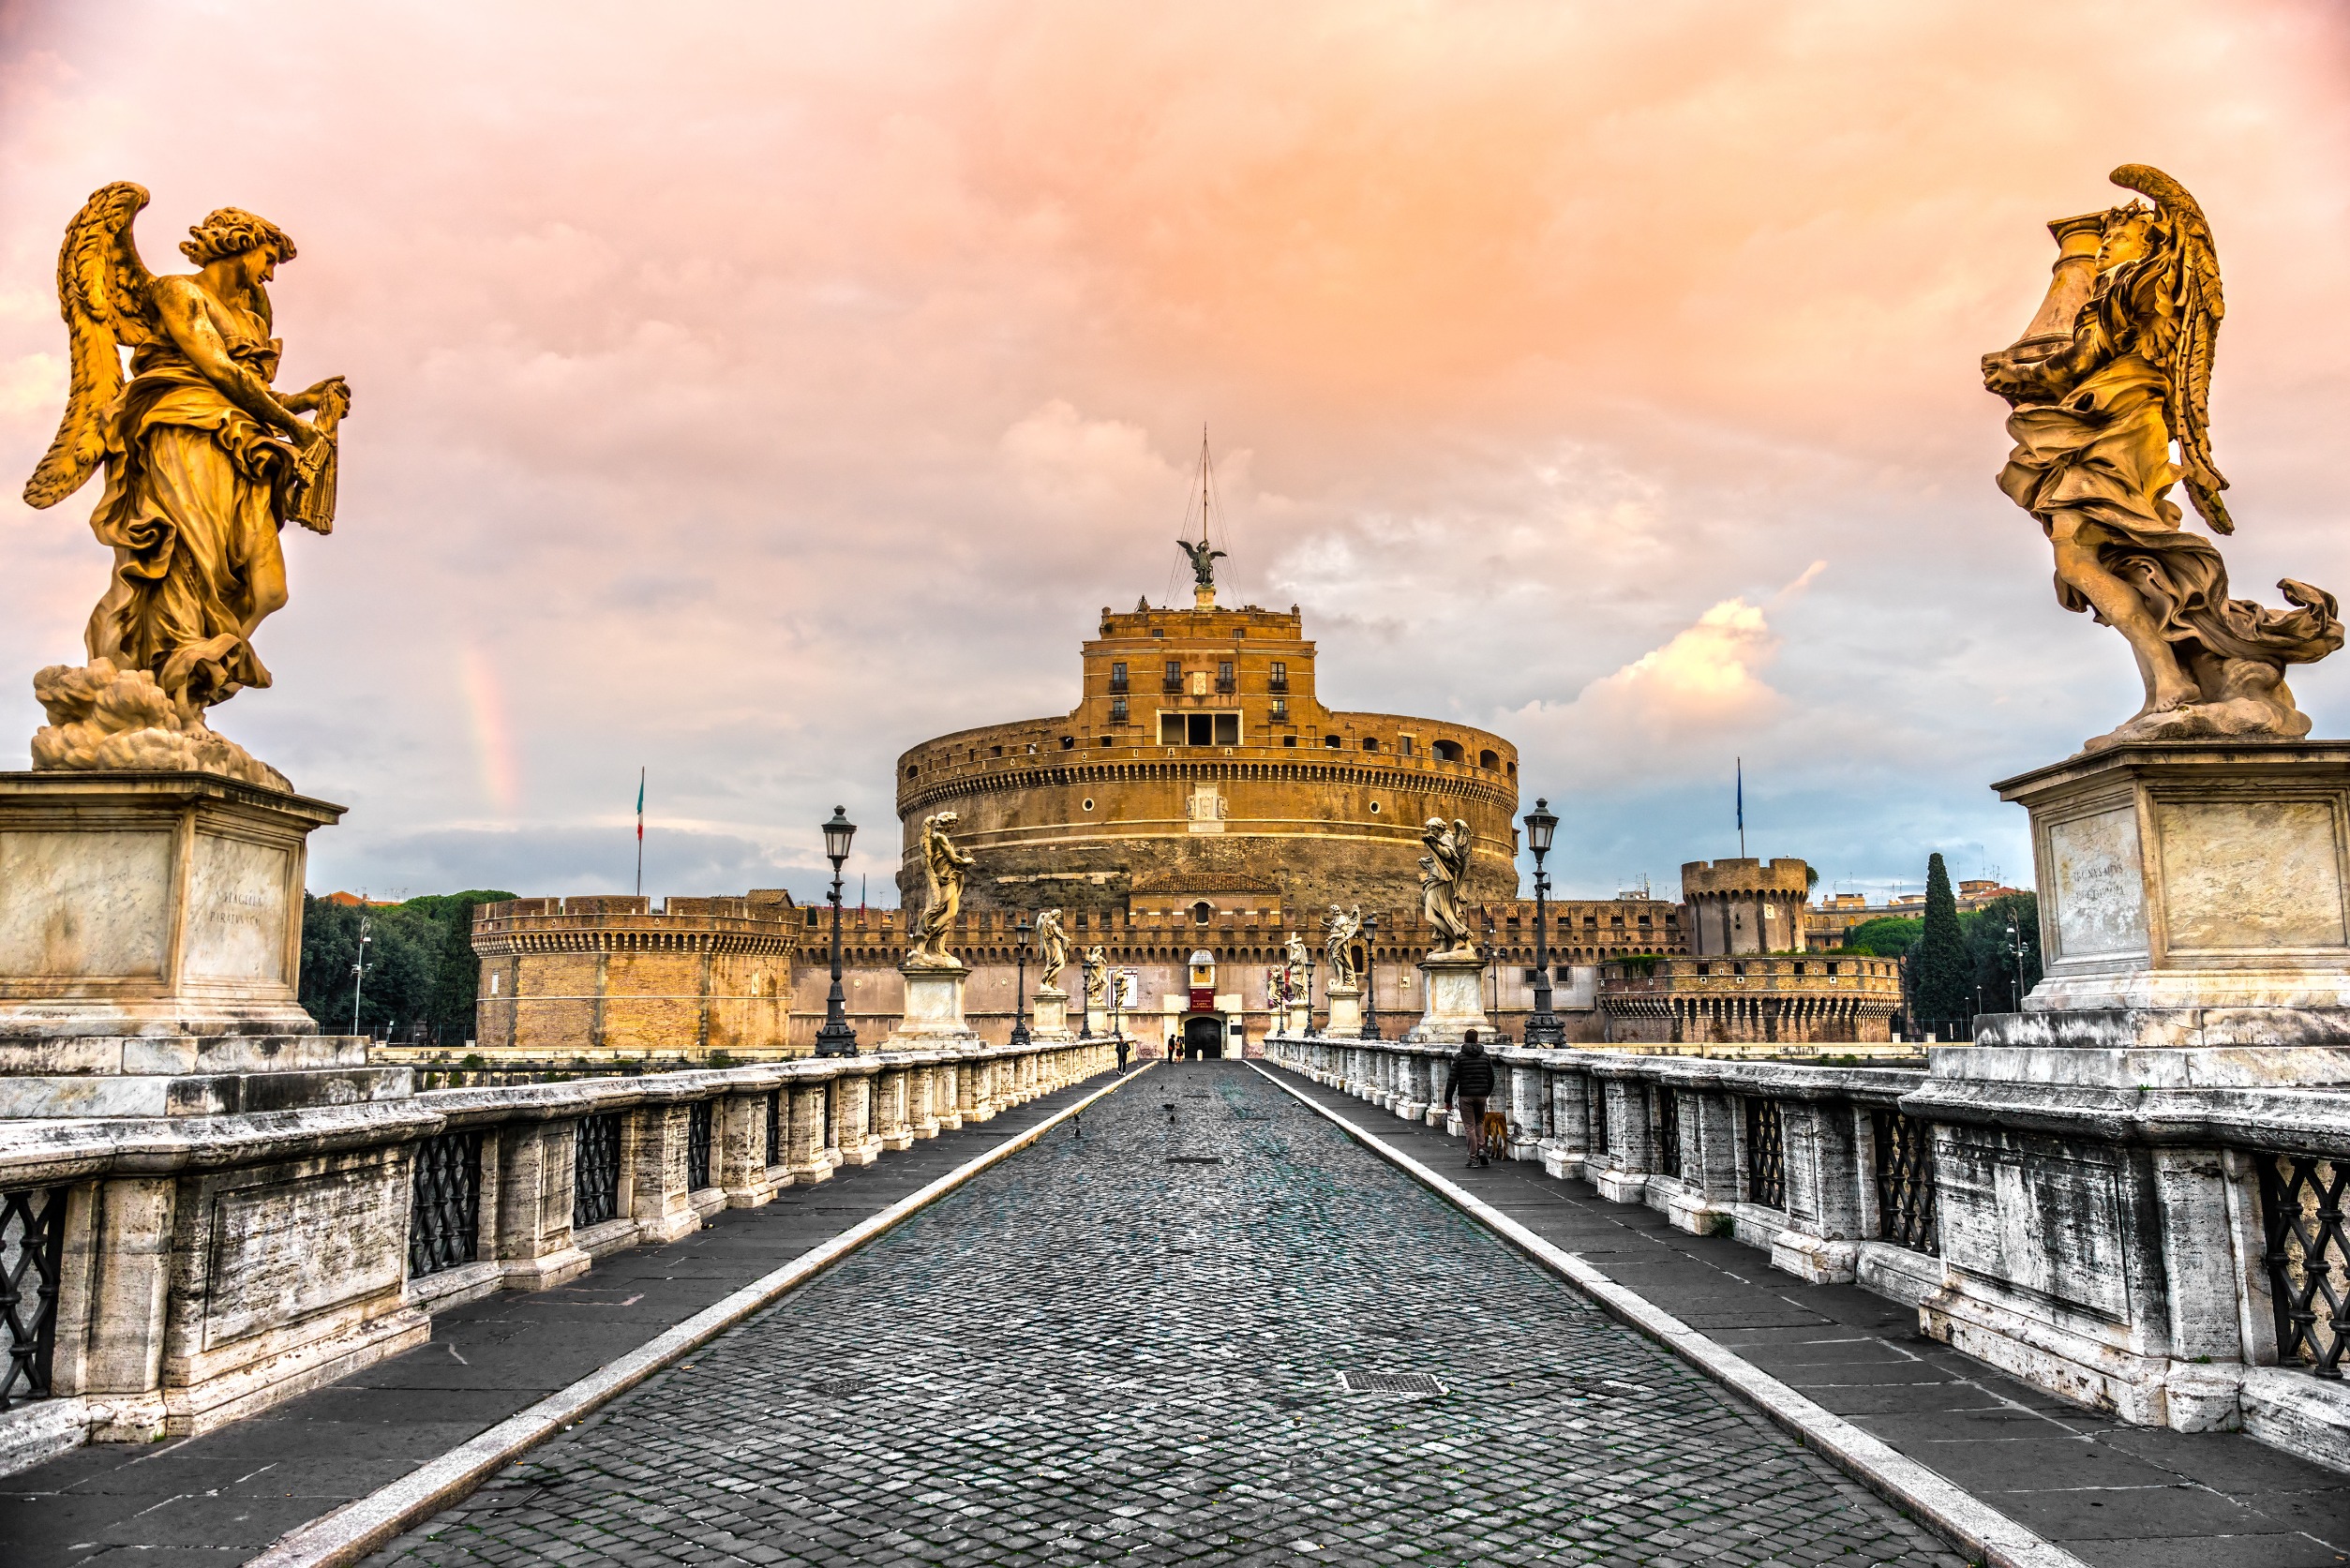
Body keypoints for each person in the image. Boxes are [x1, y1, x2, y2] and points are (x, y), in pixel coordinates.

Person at [1444, 1029, 1497, 1168]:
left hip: (1466, 1096)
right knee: (1479, 1123)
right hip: (1481, 1096)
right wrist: (1486, 1093)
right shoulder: (1485, 1057)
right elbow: (1491, 1078)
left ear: (1465, 1039)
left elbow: (1452, 1080)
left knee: (1469, 1127)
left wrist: (1448, 1099)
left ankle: (1473, 1158)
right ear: (1477, 1039)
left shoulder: (1460, 1057)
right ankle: (1482, 1149)